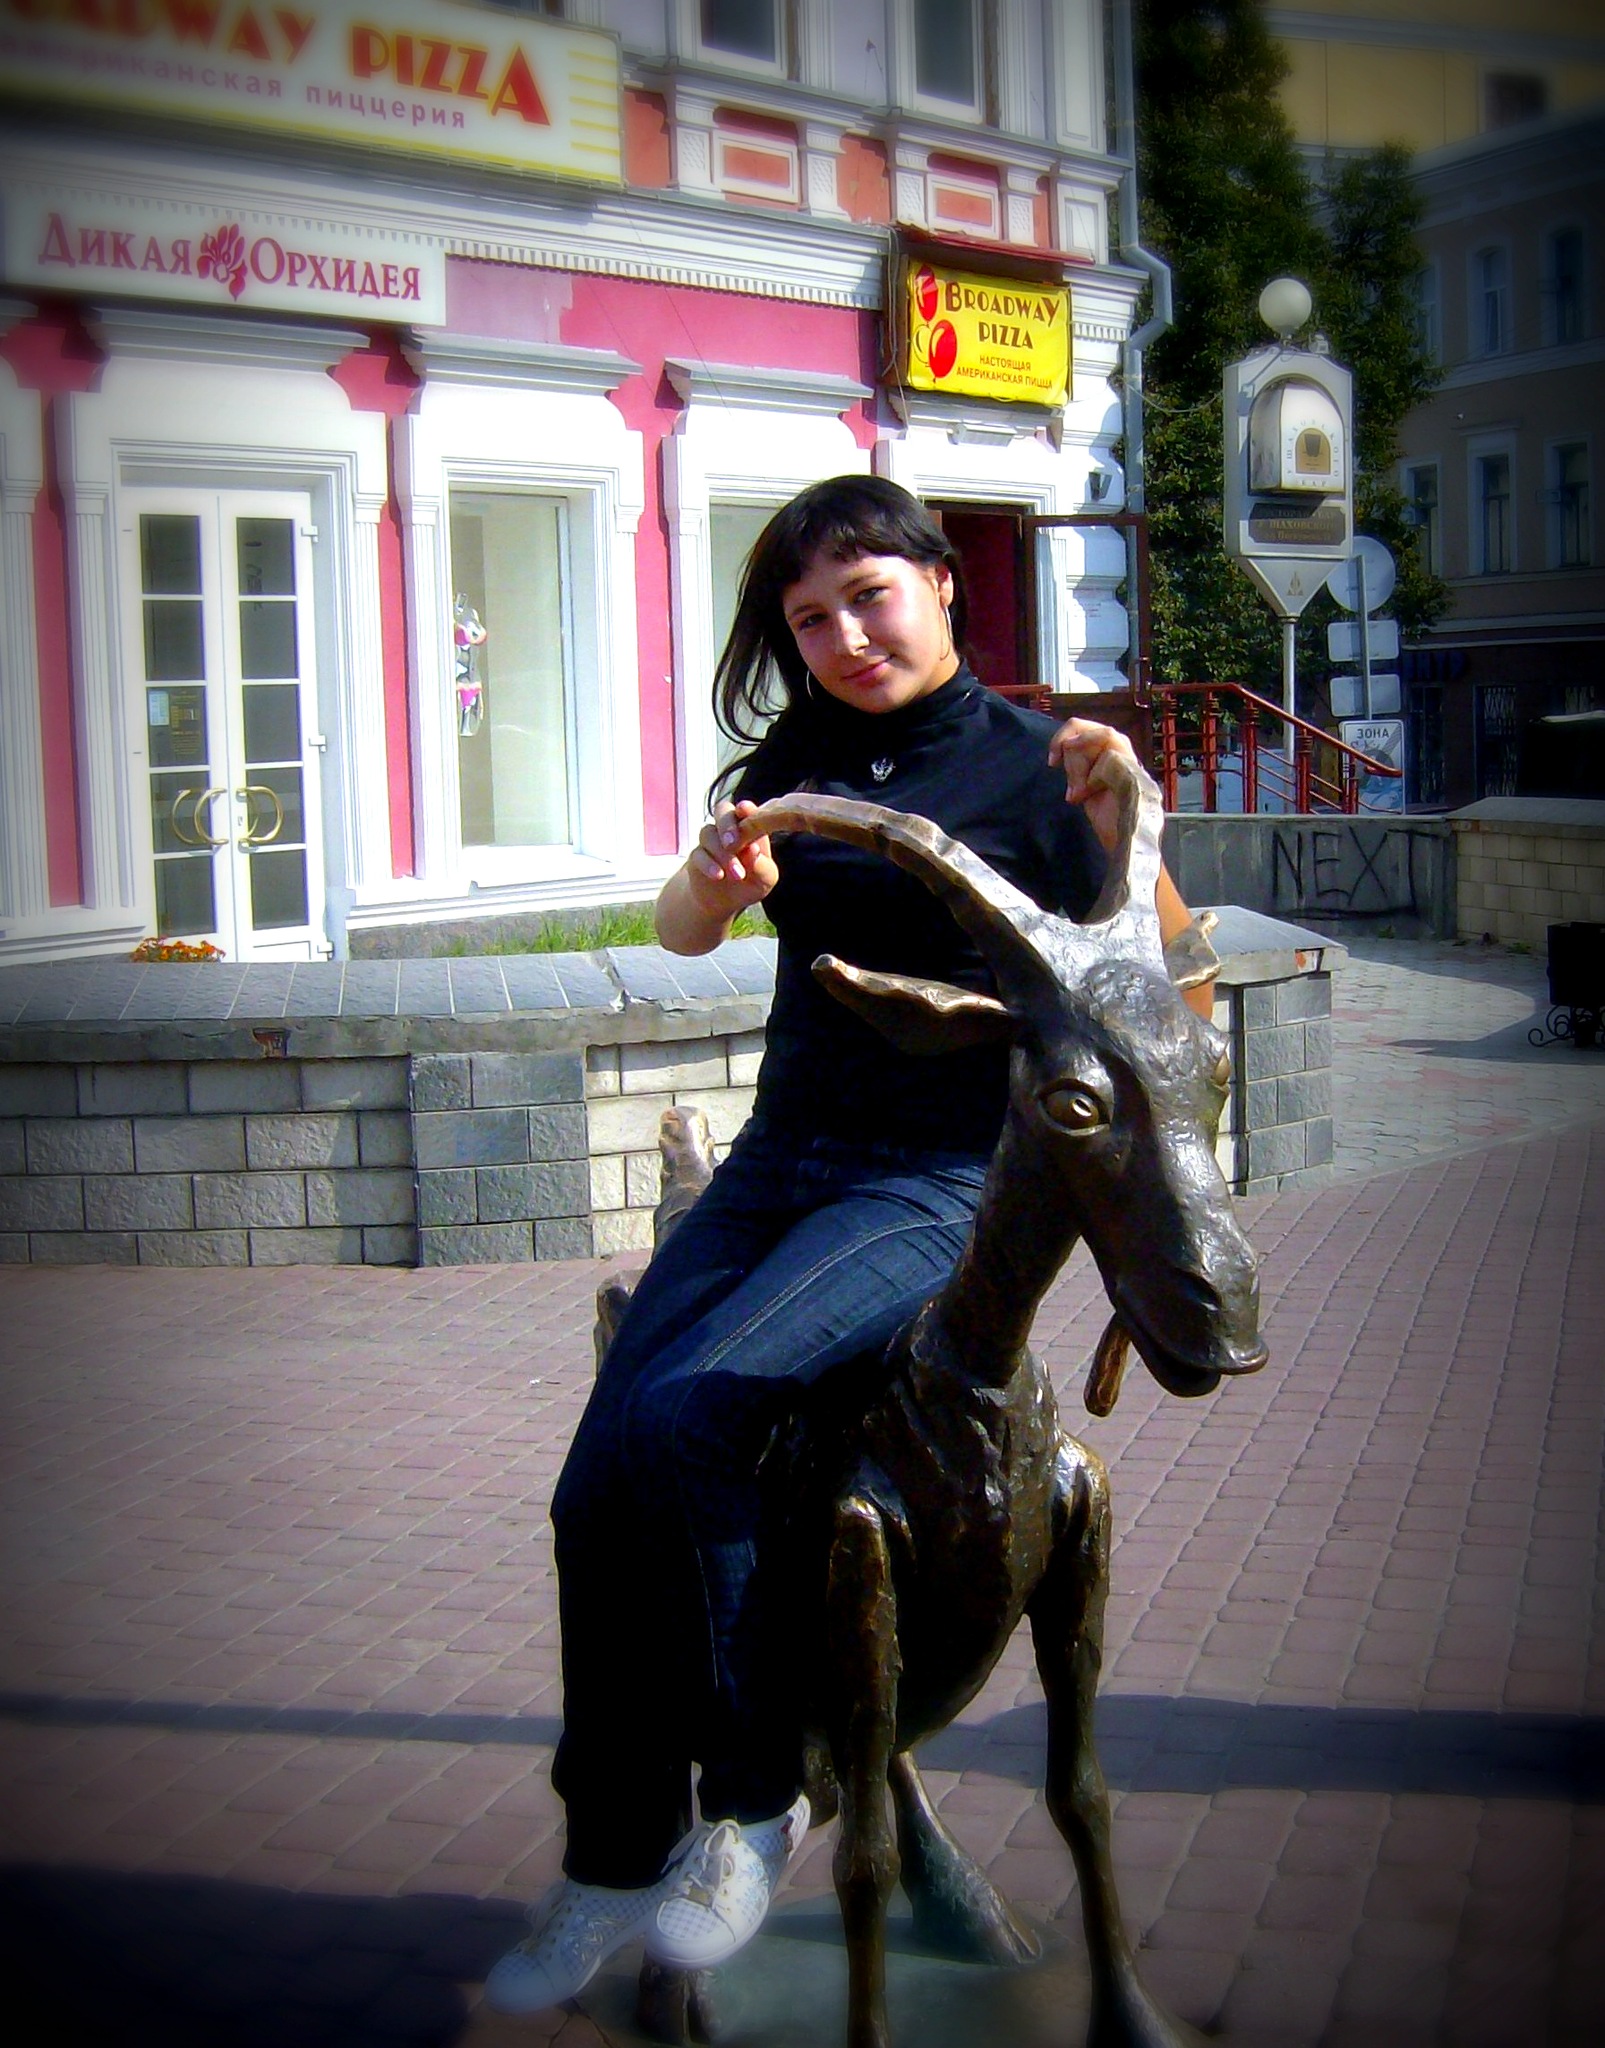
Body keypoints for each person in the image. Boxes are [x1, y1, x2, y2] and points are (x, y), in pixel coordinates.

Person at [484, 475, 1213, 2016]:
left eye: (867, 595)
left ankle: (750, 1805)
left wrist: (1120, 839)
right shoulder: (796, 763)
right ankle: (609, 1858)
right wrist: (709, 883)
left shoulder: (1042, 766)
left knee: (695, 1410)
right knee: (593, 1481)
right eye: (809, 617)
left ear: (942, 582)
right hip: (779, 1162)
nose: (842, 636)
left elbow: (1177, 994)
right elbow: (685, 932)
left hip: (934, 1181)